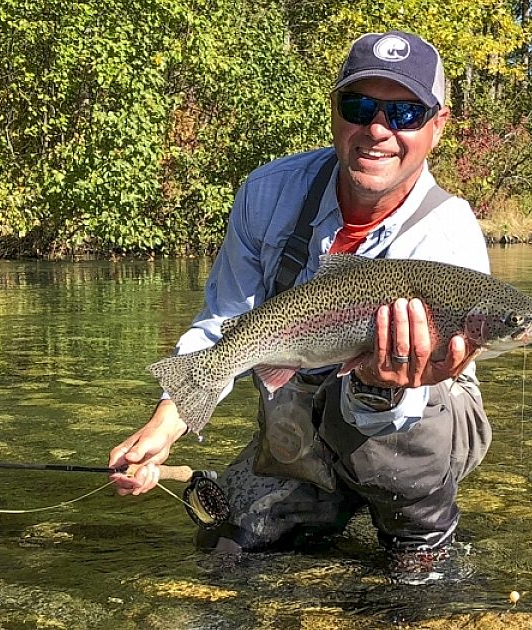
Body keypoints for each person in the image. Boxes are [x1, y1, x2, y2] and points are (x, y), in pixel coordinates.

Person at [109, 30, 492, 583]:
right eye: (358, 107)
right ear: (335, 111)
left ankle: (418, 536)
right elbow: (224, 323)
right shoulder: (270, 193)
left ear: (438, 125)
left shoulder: (448, 236)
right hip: (299, 416)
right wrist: (167, 423)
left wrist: (381, 385)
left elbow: (416, 394)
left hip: (417, 415)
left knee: (416, 408)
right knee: (225, 549)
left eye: (405, 113)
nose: (377, 129)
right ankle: (320, 497)